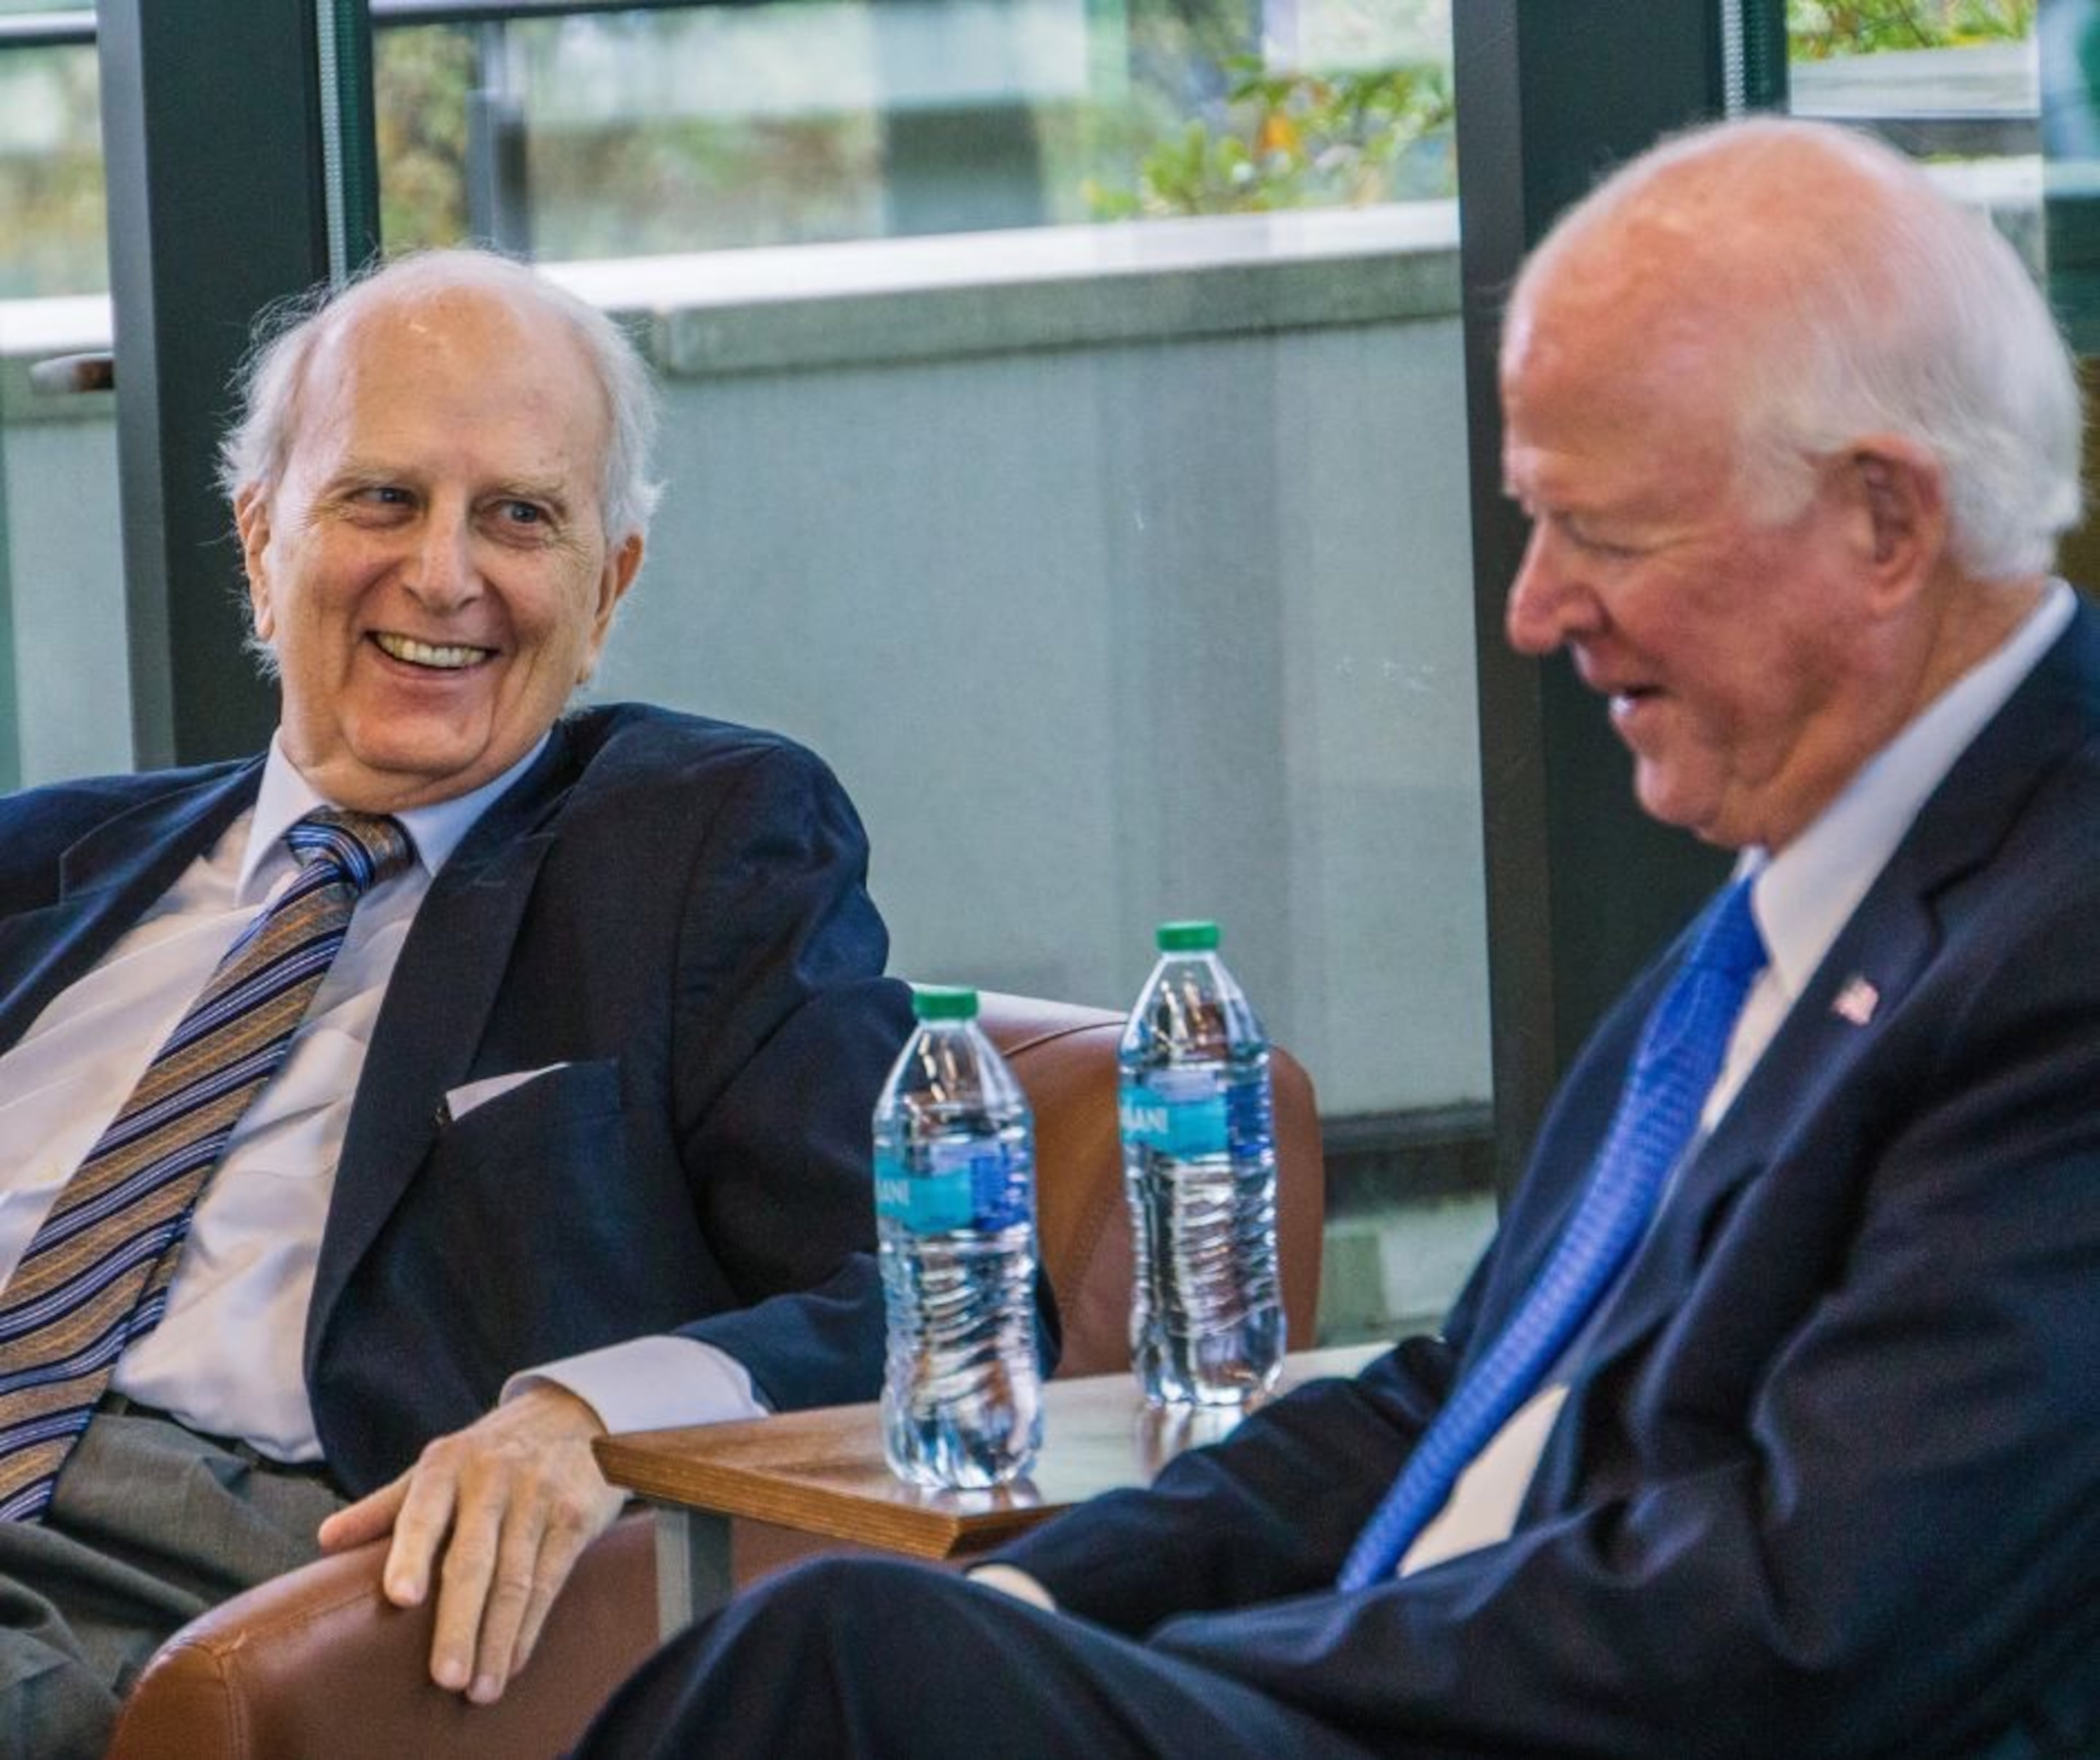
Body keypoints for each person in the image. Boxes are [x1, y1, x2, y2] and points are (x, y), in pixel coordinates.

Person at [575, 116, 2100, 1760]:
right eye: (1535, 522)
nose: (1534, 606)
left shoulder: (2059, 941)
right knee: (885, 1645)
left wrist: (1253, 1669)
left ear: (1884, 523)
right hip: (1425, 1679)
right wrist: (1051, 1601)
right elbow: (1464, 1394)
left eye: (1607, 531)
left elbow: (1815, 1617)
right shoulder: (1806, 905)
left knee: (847, 1666)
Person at [0, 248, 920, 1756]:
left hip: (204, 1547)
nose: (444, 573)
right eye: (381, 499)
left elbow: (923, 1288)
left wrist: (586, 1414)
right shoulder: (39, 861)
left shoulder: (699, 845)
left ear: (607, 586)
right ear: (258, 539)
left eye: (520, 516)